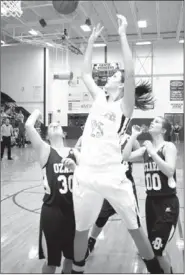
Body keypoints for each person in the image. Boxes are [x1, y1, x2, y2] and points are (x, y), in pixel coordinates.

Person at [72, 15, 163, 274]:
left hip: (112, 174)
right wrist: (90, 41)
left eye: (115, 74)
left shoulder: (124, 107)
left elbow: (131, 72)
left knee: (135, 229)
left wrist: (123, 34)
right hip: (87, 173)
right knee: (80, 231)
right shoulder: (99, 97)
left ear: (122, 85)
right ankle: (77, 269)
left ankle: (155, 270)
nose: (110, 75)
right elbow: (84, 73)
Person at [122, 117, 179, 273]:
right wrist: (133, 136)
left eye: (157, 122)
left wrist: (153, 153)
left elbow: (169, 171)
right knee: (155, 251)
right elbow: (125, 157)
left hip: (167, 203)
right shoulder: (146, 149)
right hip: (151, 203)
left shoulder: (168, 146)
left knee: (156, 252)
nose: (152, 122)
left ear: (163, 130)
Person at [25, 109, 79, 274]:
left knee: (71, 258)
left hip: (74, 211)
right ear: (47, 136)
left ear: (63, 134)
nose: (55, 125)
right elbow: (28, 125)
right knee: (51, 262)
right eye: (51, 126)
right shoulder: (45, 150)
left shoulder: (75, 152)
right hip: (52, 211)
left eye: (58, 125)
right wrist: (36, 112)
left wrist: (76, 168)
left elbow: (86, 178)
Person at [85, 133, 140, 258]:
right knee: (101, 215)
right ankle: (91, 241)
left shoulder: (130, 138)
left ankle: (141, 246)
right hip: (109, 182)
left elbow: (141, 156)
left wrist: (127, 157)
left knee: (134, 218)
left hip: (126, 183)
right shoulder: (105, 136)